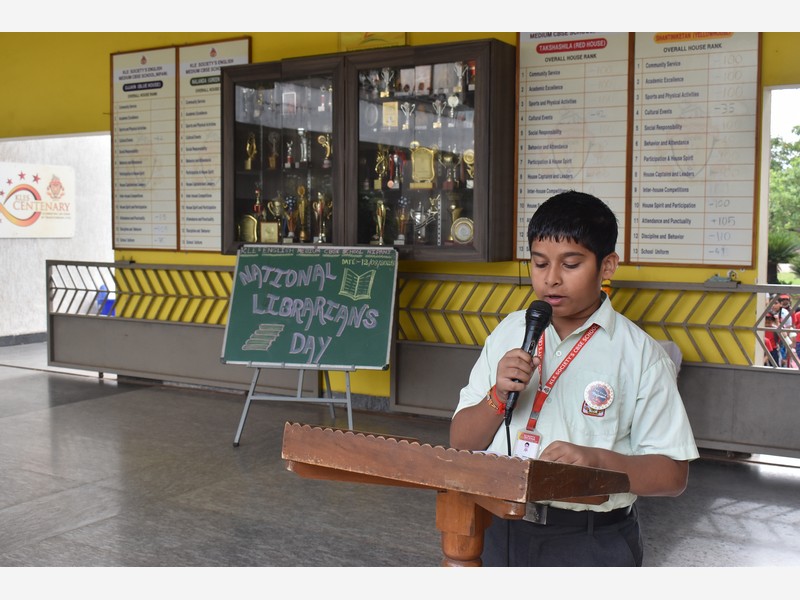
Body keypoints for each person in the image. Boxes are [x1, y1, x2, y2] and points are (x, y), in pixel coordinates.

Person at [450, 190, 699, 567]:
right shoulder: (509, 332)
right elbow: (460, 441)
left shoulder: (641, 355)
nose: (551, 279)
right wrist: (497, 396)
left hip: (590, 541)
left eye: (570, 264)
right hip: (498, 527)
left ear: (607, 266)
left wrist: (596, 462)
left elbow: (672, 474)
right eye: (539, 263)